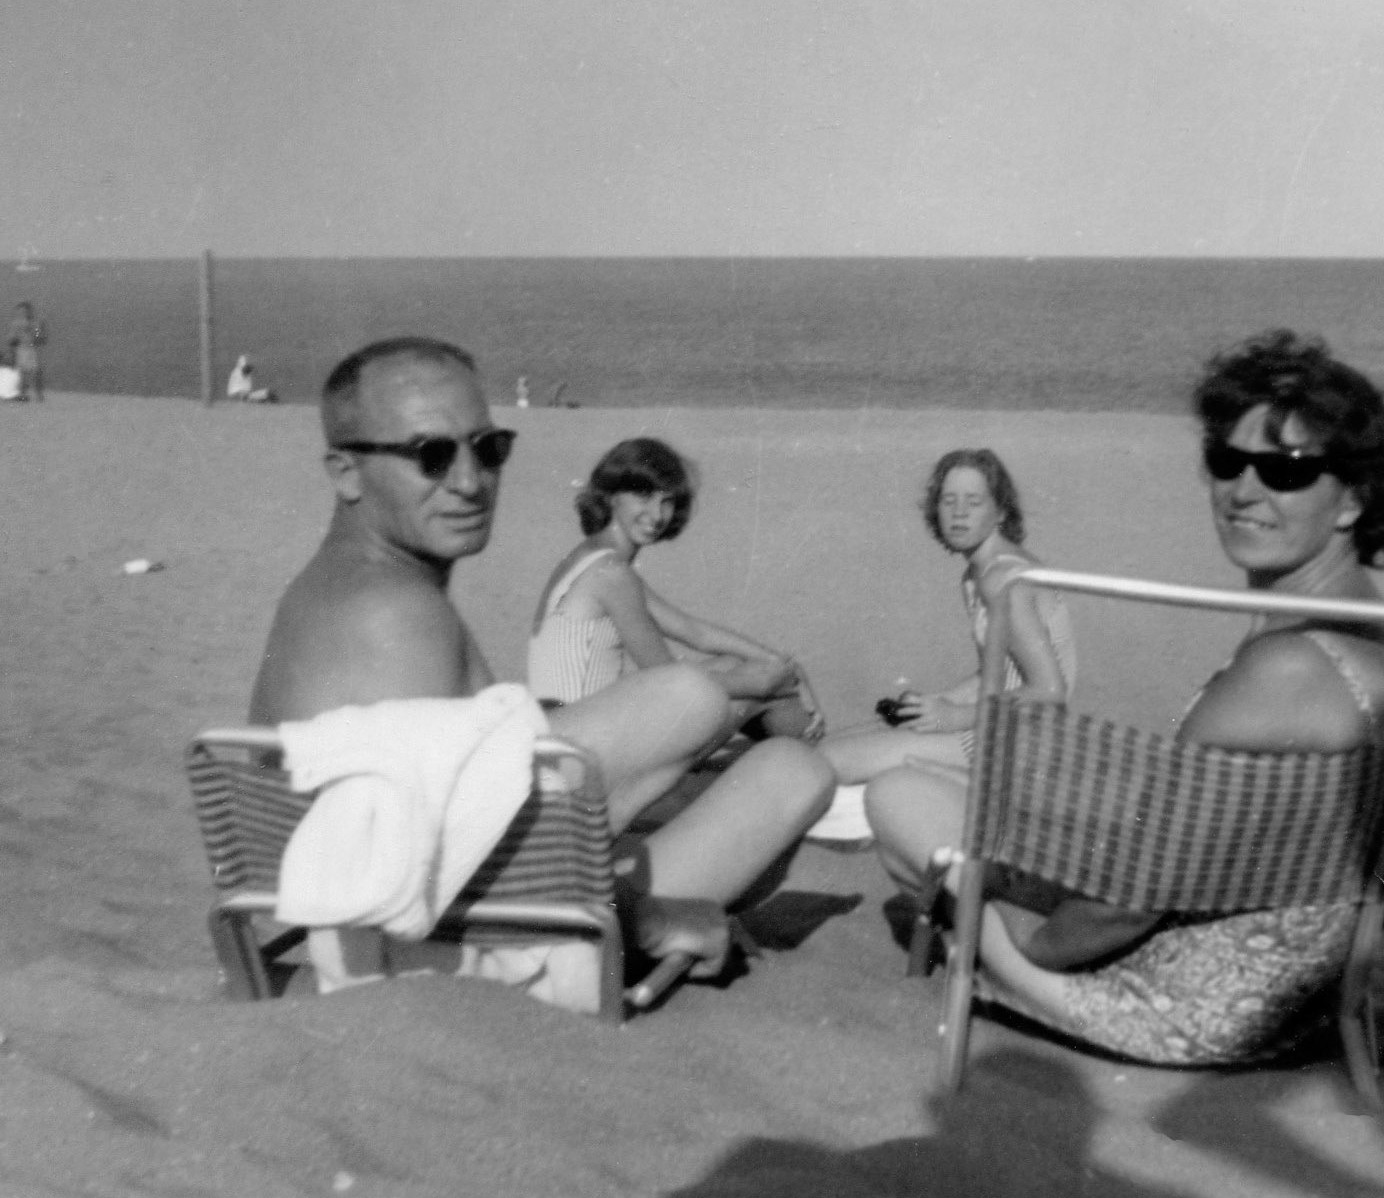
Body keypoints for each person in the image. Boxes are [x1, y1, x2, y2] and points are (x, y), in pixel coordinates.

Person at [868, 330, 1384, 1066]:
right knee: (972, 806)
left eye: (1284, 471)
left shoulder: (1285, 669)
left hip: (1185, 1003)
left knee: (899, 800)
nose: (1243, 491)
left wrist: (1022, 947)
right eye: (1228, 460)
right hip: (1303, 991)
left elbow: (1123, 903)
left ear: (1351, 498)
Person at [250, 338, 832, 991]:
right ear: (345, 472)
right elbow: (403, 881)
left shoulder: (348, 589)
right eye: (431, 456)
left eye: (488, 448)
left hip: (486, 884)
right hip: (484, 935)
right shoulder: (395, 619)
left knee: (777, 759)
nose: (470, 482)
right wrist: (646, 922)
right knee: (759, 752)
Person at [528, 436, 823, 743]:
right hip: (585, 749)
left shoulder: (592, 559)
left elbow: (693, 631)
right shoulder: (611, 574)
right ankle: (811, 761)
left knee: (747, 669)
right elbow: (666, 679)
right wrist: (763, 685)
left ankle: (793, 756)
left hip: (570, 731)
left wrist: (786, 666)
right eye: (643, 496)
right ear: (610, 495)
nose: (657, 515)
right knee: (757, 689)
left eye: (666, 501)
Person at [818, 448, 1076, 798]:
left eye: (973, 502)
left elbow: (1050, 691)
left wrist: (956, 717)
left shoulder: (1004, 580)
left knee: (826, 763)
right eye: (948, 501)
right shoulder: (976, 574)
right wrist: (938, 702)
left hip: (1019, 744)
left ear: (1000, 511)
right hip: (1001, 726)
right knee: (831, 746)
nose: (958, 513)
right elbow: (996, 673)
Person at [8, 302, 46, 401]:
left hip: (32, 350)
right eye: (22, 311)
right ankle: (22, 394)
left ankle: (39, 394)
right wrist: (13, 349)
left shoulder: (35, 324)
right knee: (22, 373)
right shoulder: (15, 324)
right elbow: (12, 339)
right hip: (20, 350)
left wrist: (39, 330)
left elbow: (39, 338)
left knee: (36, 372)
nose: (25, 313)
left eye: (27, 311)